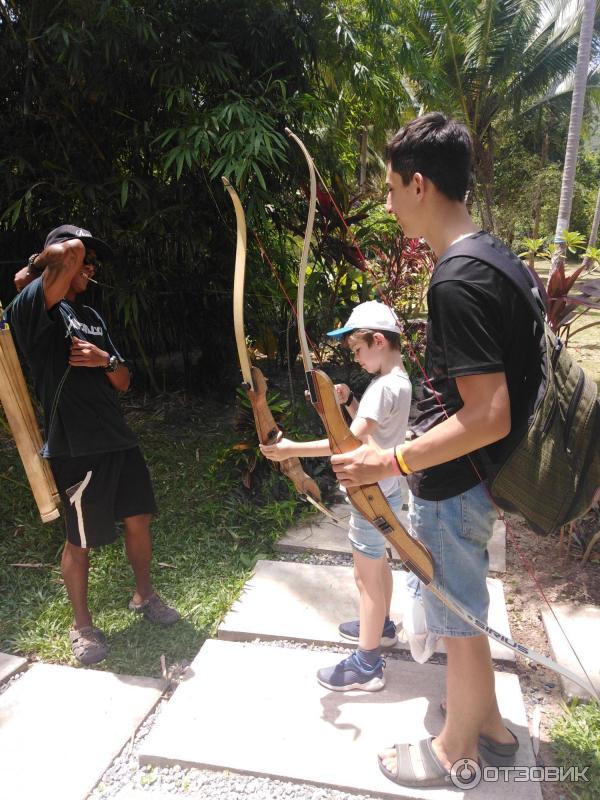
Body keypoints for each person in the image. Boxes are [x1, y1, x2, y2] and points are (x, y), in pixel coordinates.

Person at [331, 113, 529, 787]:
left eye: (390, 188)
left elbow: (490, 414)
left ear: (419, 185)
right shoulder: (494, 254)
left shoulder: (456, 279)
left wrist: (388, 461)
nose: (387, 204)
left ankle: (455, 750)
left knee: (458, 619)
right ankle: (494, 726)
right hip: (478, 479)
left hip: (455, 482)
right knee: (463, 605)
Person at [10, 225, 180, 666]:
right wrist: (37, 266)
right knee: (79, 541)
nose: (89, 267)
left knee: (139, 520)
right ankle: (82, 625)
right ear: (58, 265)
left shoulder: (93, 317)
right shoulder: (34, 308)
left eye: (92, 264)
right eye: (83, 263)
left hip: (117, 440)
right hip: (75, 446)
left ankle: (144, 595)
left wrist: (103, 359)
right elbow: (69, 250)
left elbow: (124, 381)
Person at [260, 300, 412, 691]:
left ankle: (367, 664)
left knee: (366, 579)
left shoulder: (382, 387)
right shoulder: (398, 381)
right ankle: (384, 628)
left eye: (358, 350)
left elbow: (345, 445)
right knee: (378, 567)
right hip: (388, 491)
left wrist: (291, 448)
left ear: (378, 340)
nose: (357, 359)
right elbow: (370, 430)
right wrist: (347, 402)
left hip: (370, 496)